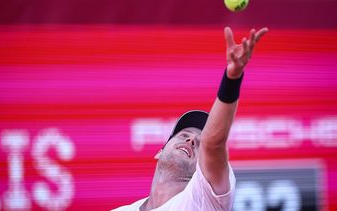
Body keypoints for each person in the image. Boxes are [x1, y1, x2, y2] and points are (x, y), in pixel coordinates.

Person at [113, 27, 268, 211]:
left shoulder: (203, 198)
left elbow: (214, 143)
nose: (191, 140)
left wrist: (232, 78)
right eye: (184, 134)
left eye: (200, 144)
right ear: (159, 152)